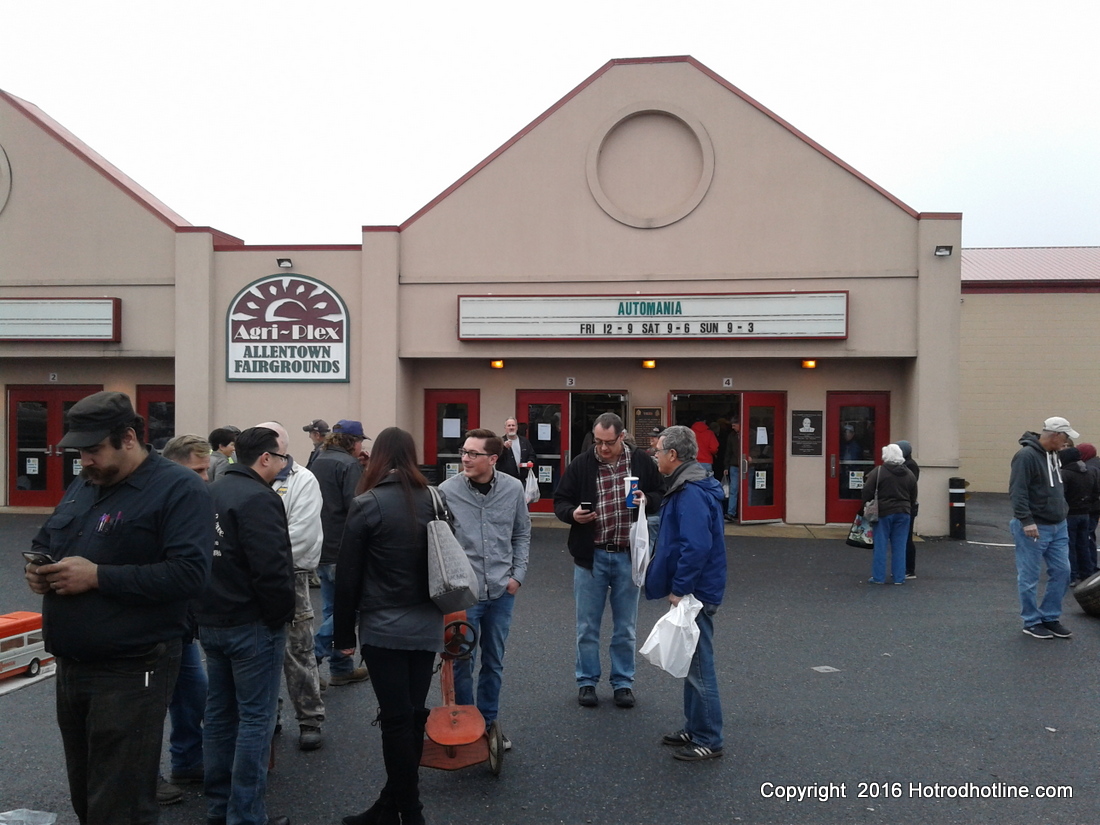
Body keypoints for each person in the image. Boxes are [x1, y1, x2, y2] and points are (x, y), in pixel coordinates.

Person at [24, 391, 213, 825]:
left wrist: (97, 577)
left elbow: (190, 575)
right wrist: (38, 569)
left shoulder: (180, 488)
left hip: (133, 666)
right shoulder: (85, 484)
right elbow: (46, 540)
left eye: (93, 450)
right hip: (72, 663)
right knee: (88, 793)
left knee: (120, 802)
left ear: (128, 438)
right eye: (79, 451)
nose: (84, 461)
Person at [333, 427, 444, 825]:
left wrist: (343, 637)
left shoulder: (367, 504)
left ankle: (410, 813)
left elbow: (348, 577)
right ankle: (387, 805)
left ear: (377, 456)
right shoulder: (435, 498)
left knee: (396, 720)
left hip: (384, 627)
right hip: (428, 622)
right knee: (413, 716)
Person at [195, 426, 295, 825]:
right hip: (251, 624)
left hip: (211, 619)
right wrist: (278, 617)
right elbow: (272, 571)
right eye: (284, 457)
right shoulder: (259, 498)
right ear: (265, 459)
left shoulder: (210, 492)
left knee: (219, 714)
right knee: (256, 719)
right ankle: (246, 815)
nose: (286, 465)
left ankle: (219, 809)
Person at [554, 412, 663, 709]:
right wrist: (572, 515)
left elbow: (660, 492)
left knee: (625, 626)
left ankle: (623, 683)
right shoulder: (581, 464)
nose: (602, 448)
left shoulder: (641, 462)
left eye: (609, 442)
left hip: (627, 555)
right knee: (587, 625)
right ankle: (587, 681)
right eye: (598, 441)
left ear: (622, 436)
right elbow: (560, 501)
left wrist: (647, 500)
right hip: (592, 557)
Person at [439, 428, 531, 748]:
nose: (465, 458)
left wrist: (517, 576)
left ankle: (489, 723)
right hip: (464, 594)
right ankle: (467, 726)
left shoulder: (512, 489)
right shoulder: (446, 491)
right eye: (463, 452)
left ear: (493, 459)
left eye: (473, 454)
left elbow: (521, 533)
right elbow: (437, 543)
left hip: (501, 591)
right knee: (461, 660)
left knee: (494, 661)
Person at [646, 425, 727, 762]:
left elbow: (695, 546)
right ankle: (695, 728)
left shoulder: (690, 491)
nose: (655, 456)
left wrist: (680, 589)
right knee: (691, 659)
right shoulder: (692, 485)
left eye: (658, 451)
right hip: (699, 589)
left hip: (696, 593)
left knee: (699, 665)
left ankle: (709, 737)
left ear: (673, 455)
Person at [258, 421, 326, 751]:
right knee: (258, 651)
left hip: (291, 577)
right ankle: (270, 716)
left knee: (298, 650)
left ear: (279, 450)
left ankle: (310, 718)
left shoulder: (303, 481)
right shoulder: (246, 478)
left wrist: (259, 559)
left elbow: (302, 536)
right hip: (252, 579)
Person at [157, 434, 215, 805]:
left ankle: (188, 761)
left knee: (193, 690)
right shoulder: (153, 501)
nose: (205, 478)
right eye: (197, 470)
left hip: (181, 622)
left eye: (207, 470)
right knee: (144, 706)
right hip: (148, 625)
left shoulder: (191, 499)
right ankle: (144, 777)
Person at [311, 419, 370, 686]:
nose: (361, 447)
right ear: (352, 442)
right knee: (350, 610)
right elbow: (357, 508)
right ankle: (311, 657)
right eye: (360, 441)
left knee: (332, 608)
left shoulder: (318, 459)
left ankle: (341, 667)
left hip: (320, 544)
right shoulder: (348, 465)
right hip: (343, 548)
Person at [1009, 417, 1078, 639]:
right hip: (1035, 526)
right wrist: (1026, 520)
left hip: (1058, 526)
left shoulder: (1053, 454)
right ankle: (1031, 621)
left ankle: (1049, 617)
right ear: (1056, 436)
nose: (1067, 443)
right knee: (1028, 577)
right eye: (1065, 437)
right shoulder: (1026, 456)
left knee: (1062, 571)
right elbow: (1018, 491)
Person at [863, 444, 917, 585]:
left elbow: (867, 491)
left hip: (883, 512)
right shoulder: (909, 474)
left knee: (880, 546)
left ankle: (878, 577)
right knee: (900, 546)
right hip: (903, 512)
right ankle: (899, 577)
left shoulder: (879, 472)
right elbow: (913, 495)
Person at [1058, 447, 1098, 585]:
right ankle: (1087, 574)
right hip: (1085, 513)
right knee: (1084, 545)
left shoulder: (1065, 474)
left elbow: (1060, 496)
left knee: (1070, 546)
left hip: (1070, 515)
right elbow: (1095, 493)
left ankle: (1072, 576)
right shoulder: (1090, 471)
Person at [895, 440, 921, 579]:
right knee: (902, 538)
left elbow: (907, 485)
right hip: (906, 505)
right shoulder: (906, 464)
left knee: (906, 539)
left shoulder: (910, 466)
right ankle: (902, 567)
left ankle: (909, 569)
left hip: (908, 506)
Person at [1079, 443, 1100, 565]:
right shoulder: (1095, 465)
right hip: (1094, 507)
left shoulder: (1090, 468)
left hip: (1090, 508)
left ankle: (1089, 566)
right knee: (1089, 536)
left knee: (1086, 537)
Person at [497, 417, 535, 483]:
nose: (511, 427)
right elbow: (496, 458)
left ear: (517, 427)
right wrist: (504, 448)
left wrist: (530, 461)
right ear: (505, 428)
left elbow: (531, 454)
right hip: (505, 480)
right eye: (509, 426)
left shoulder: (524, 441)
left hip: (522, 480)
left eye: (513, 425)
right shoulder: (500, 442)